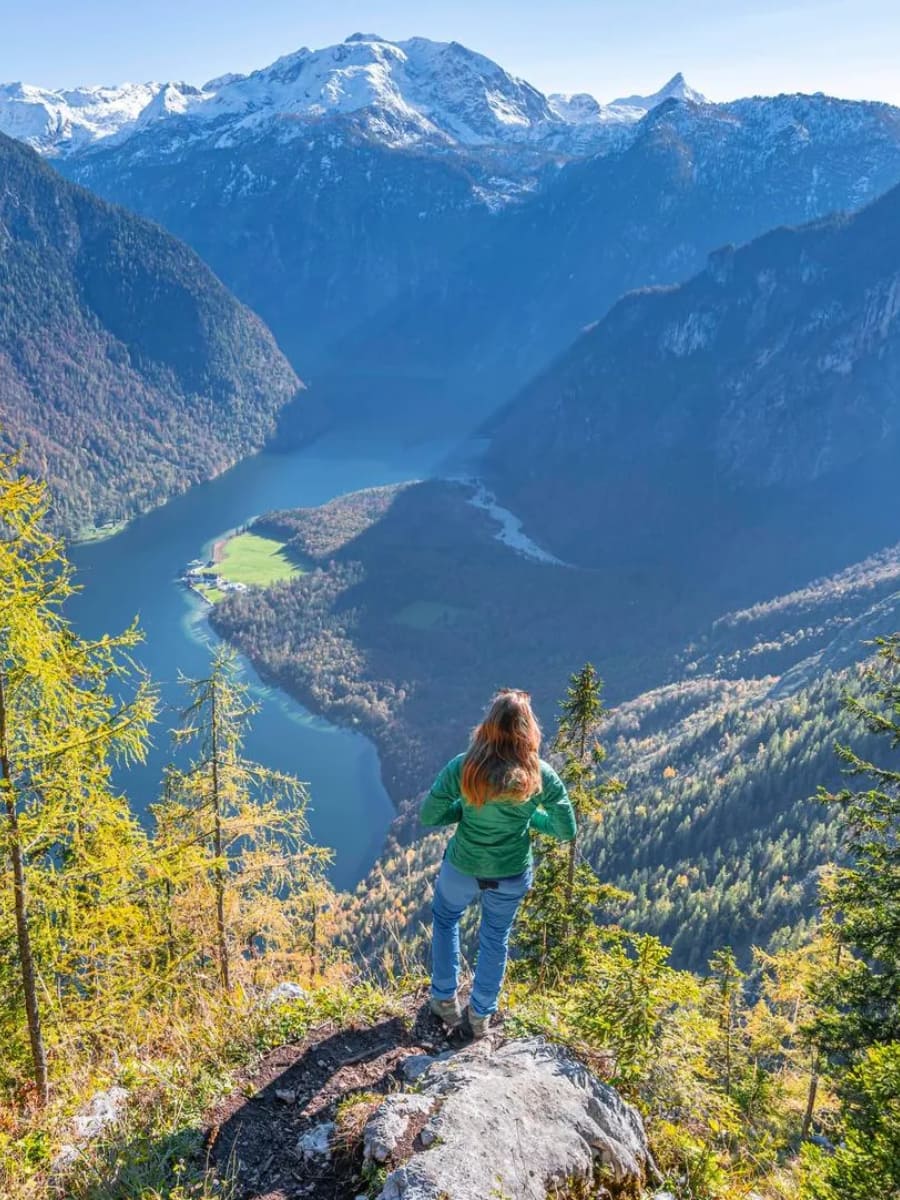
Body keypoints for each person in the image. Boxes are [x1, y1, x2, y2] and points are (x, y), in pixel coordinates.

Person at [420, 688, 576, 1037]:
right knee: (495, 938)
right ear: (528, 729)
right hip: (510, 872)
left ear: (488, 725)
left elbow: (429, 815)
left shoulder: (464, 767)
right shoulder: (540, 775)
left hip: (462, 866)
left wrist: (463, 809)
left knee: (446, 920)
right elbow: (566, 829)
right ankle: (480, 1014)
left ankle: (444, 1000)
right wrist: (529, 817)